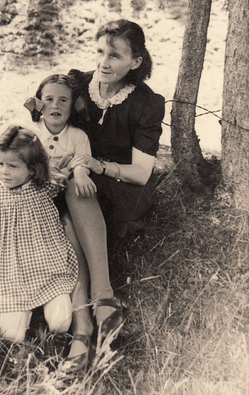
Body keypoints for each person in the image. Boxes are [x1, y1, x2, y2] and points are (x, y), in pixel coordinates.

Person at [61, 19, 165, 358]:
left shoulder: (145, 103)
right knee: (67, 209)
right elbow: (44, 120)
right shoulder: (79, 86)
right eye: (100, 52)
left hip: (123, 187)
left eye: (115, 56)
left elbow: (141, 172)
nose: (104, 62)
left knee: (77, 193)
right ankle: (92, 317)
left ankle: (92, 311)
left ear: (135, 62)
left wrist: (99, 166)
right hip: (81, 178)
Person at [24, 73, 120, 373]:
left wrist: (78, 171)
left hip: (71, 202)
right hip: (39, 205)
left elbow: (82, 161)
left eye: (63, 100)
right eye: (49, 99)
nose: (56, 105)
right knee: (65, 221)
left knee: (77, 202)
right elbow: (16, 167)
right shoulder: (29, 133)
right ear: (39, 104)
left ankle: (92, 311)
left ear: (73, 105)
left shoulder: (77, 136)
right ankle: (88, 319)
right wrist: (49, 173)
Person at [0, 124, 78, 343]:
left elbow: (63, 174)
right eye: (1, 164)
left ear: (32, 169)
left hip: (48, 264)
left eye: (12, 166)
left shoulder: (43, 186)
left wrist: (77, 165)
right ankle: (26, 311)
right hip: (12, 273)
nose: (4, 171)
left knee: (61, 324)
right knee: (11, 335)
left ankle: (48, 303)